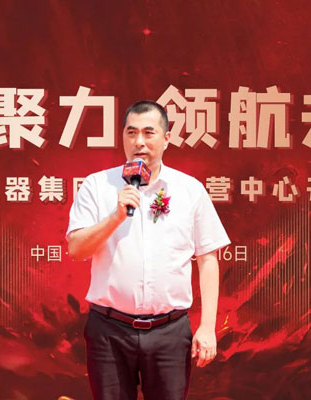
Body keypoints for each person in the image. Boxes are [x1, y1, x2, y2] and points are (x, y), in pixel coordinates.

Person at [66, 100, 230, 400]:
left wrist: (208, 327)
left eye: (148, 132)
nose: (139, 142)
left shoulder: (189, 189)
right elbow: (76, 249)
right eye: (131, 133)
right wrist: (115, 217)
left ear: (166, 139)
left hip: (169, 332)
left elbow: (208, 258)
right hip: (110, 331)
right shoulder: (97, 186)